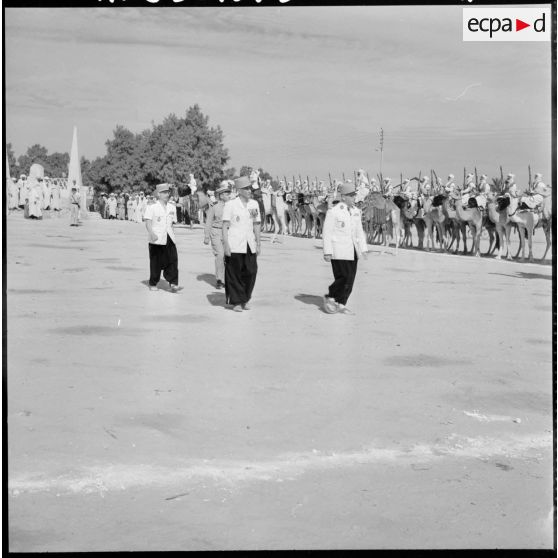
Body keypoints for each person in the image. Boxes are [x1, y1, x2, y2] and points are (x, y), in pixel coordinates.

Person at [322, 181, 368, 315]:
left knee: (351, 278)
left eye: (354, 195)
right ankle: (331, 295)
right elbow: (327, 232)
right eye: (352, 195)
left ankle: (341, 304)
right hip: (338, 249)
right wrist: (327, 251)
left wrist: (363, 248)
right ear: (344, 197)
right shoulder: (334, 212)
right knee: (343, 277)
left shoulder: (356, 211)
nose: (354, 198)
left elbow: (359, 231)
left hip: (353, 249)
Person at [222, 176, 261, 312]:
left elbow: (256, 223)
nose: (249, 190)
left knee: (251, 271)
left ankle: (245, 297)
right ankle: (237, 301)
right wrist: (226, 245)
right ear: (239, 190)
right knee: (234, 273)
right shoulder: (230, 205)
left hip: (249, 243)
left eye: (250, 188)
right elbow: (225, 226)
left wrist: (258, 242)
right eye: (246, 188)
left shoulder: (254, 204)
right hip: (235, 244)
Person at [144, 183, 180, 292]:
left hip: (169, 237)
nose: (167, 194)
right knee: (156, 262)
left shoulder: (172, 207)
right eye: (164, 192)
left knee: (173, 260)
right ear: (158, 194)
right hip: (156, 238)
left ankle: (173, 282)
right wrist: (152, 233)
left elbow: (172, 223)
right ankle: (153, 283)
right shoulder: (152, 207)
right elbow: (148, 222)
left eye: (168, 192)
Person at [204, 182, 231, 289]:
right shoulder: (214, 207)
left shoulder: (232, 206)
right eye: (226, 193)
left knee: (227, 256)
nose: (229, 195)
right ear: (221, 195)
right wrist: (206, 235)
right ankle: (220, 279)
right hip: (216, 232)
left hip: (228, 233)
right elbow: (209, 221)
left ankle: (227, 277)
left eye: (229, 193)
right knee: (219, 255)